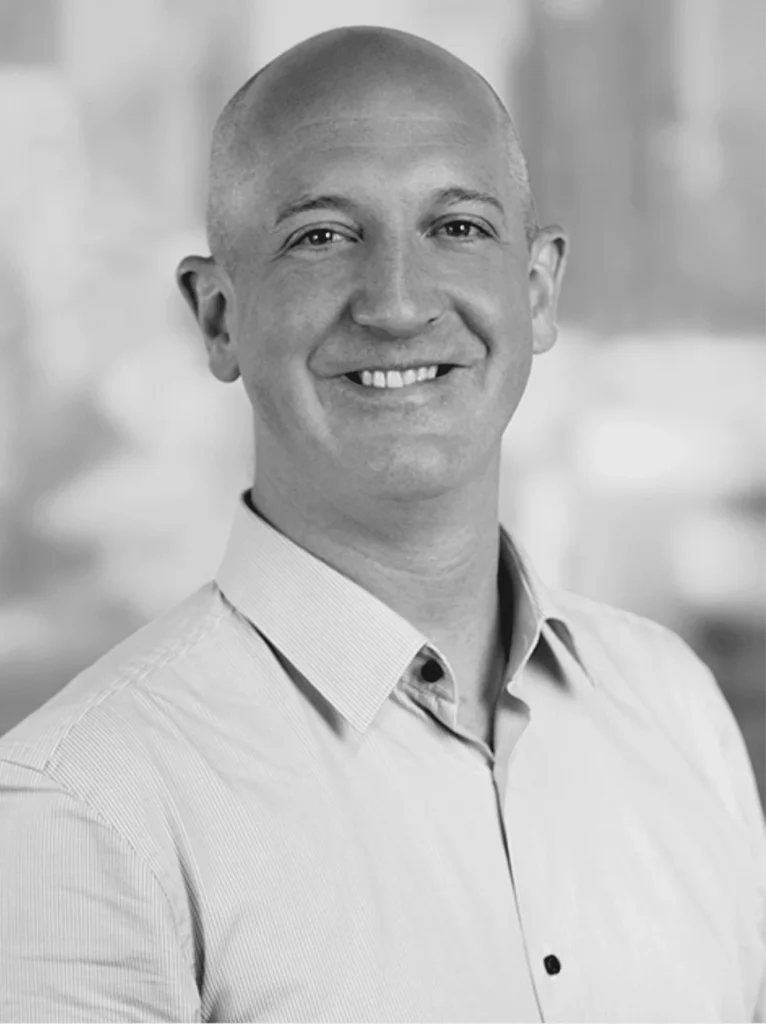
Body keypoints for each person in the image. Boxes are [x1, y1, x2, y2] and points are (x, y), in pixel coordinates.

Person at [0, 25, 763, 1023]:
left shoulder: (676, 707)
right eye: (322, 236)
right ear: (218, 317)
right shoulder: (84, 804)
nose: (398, 304)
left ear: (537, 291)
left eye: (458, 227)